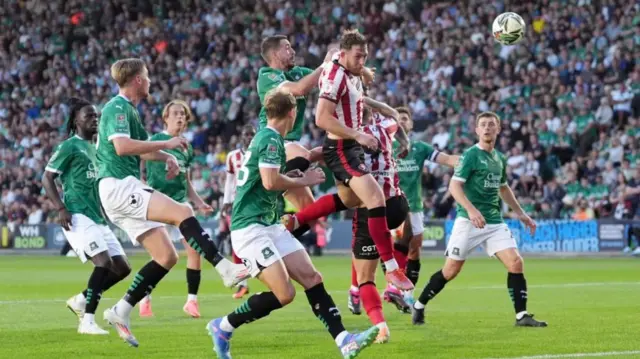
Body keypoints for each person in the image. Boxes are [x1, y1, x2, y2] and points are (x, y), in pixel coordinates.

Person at [207, 88, 379, 359]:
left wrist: (296, 172)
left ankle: (345, 341)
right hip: (250, 230)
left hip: (268, 224)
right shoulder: (272, 139)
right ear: (292, 112)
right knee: (284, 293)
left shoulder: (267, 138)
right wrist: (303, 181)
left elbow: (268, 181)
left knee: (312, 278)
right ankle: (223, 326)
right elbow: (269, 182)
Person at [96, 58, 248, 347]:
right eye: (148, 75)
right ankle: (223, 267)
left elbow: (141, 152)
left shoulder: (131, 111)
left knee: (167, 257)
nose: (151, 80)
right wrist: (166, 145)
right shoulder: (117, 107)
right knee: (183, 211)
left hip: (122, 187)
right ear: (138, 80)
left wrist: (166, 157)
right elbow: (122, 147)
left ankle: (121, 310)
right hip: (118, 185)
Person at [282, 29, 413, 291]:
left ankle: (297, 220)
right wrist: (358, 135)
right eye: (358, 56)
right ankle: (392, 270)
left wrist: (364, 74)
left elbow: (360, 95)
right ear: (341, 55)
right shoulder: (334, 75)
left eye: (365, 56)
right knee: (375, 199)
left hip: (348, 146)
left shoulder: (353, 72)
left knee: (349, 199)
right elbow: (322, 119)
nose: (362, 60)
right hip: (342, 147)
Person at [411, 111, 548, 328]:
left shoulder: (500, 158)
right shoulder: (470, 156)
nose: (487, 128)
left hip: (493, 221)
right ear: (476, 130)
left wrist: (521, 213)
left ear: (498, 129)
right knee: (451, 271)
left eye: (491, 125)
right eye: (482, 124)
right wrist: (472, 210)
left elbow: (503, 188)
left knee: (516, 262)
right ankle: (419, 305)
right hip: (468, 221)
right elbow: (454, 187)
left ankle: (521, 316)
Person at [42, 97, 131, 335]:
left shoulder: (97, 147)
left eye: (96, 116)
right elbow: (47, 177)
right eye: (89, 116)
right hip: (77, 215)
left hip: (98, 217)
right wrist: (61, 208)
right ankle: (87, 321)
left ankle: (81, 300)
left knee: (122, 268)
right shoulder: (69, 146)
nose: (95, 119)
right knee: (103, 263)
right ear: (76, 120)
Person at [138, 100, 214, 318]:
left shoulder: (187, 147)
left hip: (180, 203)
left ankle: (191, 301)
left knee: (194, 250)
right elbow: (140, 158)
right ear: (166, 117)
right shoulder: (156, 140)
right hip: (158, 202)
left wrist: (199, 202)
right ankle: (145, 297)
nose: (180, 117)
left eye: (183, 114)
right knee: (160, 256)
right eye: (176, 113)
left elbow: (187, 181)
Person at [256, 35, 335, 239]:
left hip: (290, 143)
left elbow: (324, 77)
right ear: (275, 54)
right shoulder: (267, 76)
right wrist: (325, 64)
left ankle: (278, 240)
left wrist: (338, 57)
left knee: (311, 214)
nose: (292, 51)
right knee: (307, 155)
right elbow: (299, 89)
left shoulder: (297, 72)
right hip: (272, 140)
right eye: (287, 48)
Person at [380, 107, 460, 307]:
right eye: (397, 119)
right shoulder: (385, 146)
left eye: (404, 119)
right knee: (395, 246)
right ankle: (392, 287)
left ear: (411, 124)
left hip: (414, 206)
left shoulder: (420, 148)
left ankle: (406, 295)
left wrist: (468, 160)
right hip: (390, 204)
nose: (401, 122)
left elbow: (447, 159)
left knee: (415, 250)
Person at [346, 106, 410, 344]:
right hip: (397, 205)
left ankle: (380, 325)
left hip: (370, 211)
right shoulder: (385, 128)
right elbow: (394, 115)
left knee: (366, 277)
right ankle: (393, 274)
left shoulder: (348, 134)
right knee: (408, 234)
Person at [221, 124, 256, 299]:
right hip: (237, 204)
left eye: (252, 134)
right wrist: (226, 201)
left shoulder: (258, 153)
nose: (249, 137)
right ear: (241, 137)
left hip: (257, 203)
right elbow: (229, 181)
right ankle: (242, 283)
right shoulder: (232, 157)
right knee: (237, 241)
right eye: (246, 134)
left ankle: (274, 278)